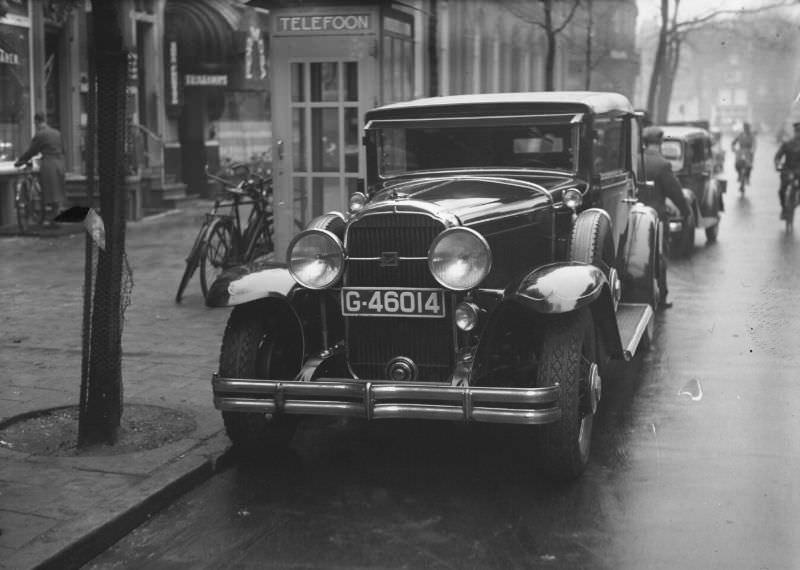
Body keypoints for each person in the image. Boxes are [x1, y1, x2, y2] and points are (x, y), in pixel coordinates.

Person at [641, 125, 691, 309]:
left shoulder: (634, 160)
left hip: (635, 216)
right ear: (660, 143)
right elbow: (675, 192)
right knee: (660, 256)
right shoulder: (662, 165)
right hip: (656, 219)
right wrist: (686, 212)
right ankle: (661, 297)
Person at [14, 112, 66, 226]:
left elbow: (32, 151)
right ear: (45, 120)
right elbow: (63, 149)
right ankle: (55, 218)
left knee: (50, 191)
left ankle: (53, 219)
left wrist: (20, 161)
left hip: (49, 165)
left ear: (36, 122)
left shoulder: (41, 135)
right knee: (57, 191)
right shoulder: (57, 133)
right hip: (60, 163)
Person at [774, 121, 800, 219]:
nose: (799, 134)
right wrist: (777, 164)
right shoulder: (787, 144)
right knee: (781, 191)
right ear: (795, 132)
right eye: (797, 131)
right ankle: (784, 208)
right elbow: (778, 156)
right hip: (787, 171)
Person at [731, 122, 756, 187]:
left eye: (747, 127)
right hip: (740, 151)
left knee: (749, 166)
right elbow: (734, 142)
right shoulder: (740, 135)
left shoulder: (751, 136)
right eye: (745, 127)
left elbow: (754, 144)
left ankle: (747, 177)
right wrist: (733, 148)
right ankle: (739, 175)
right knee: (737, 164)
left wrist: (752, 151)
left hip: (748, 152)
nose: (746, 129)